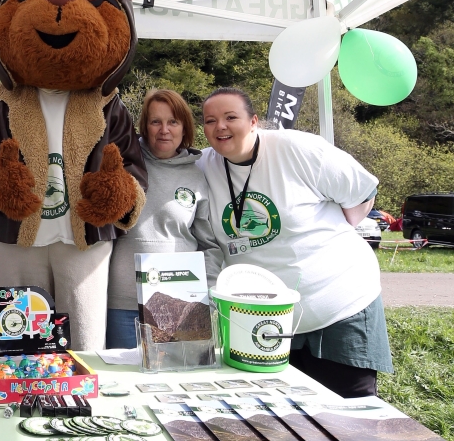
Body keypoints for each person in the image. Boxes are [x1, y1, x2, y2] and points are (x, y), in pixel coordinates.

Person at [199, 87, 390, 398]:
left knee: (349, 416)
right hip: (261, 318)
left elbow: (362, 194)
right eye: (210, 120)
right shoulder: (203, 167)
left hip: (338, 307)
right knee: (277, 417)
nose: (220, 126)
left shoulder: (300, 149)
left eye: (230, 117)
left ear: (253, 122)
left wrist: (333, 232)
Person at [106, 89, 222, 348]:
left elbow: (210, 245)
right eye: (155, 121)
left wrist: (207, 291)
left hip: (180, 303)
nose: (164, 130)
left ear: (184, 128)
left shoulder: (196, 176)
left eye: (173, 122)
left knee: (177, 382)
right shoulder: (123, 165)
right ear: (144, 127)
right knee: (124, 380)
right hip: (123, 303)